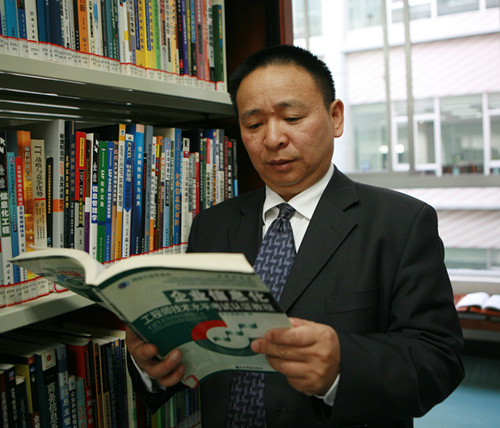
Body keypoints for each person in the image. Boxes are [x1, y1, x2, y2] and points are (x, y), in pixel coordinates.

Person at [126, 45, 464, 427]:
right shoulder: (212, 225)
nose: (273, 139)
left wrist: (342, 365)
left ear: (335, 117)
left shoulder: (401, 223)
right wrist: (151, 364)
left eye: (292, 117)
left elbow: (439, 360)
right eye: (254, 125)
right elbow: (194, 354)